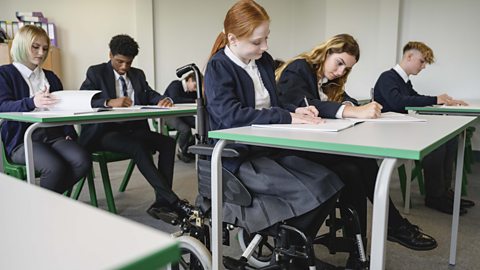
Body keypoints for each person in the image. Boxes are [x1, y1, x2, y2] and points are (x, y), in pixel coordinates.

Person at [205, 0, 344, 267]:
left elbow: (273, 106)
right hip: (238, 154)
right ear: (232, 39)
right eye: (258, 41)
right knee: (313, 190)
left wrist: (297, 112)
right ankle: (291, 250)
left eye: (266, 38)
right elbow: (230, 116)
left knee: (330, 182)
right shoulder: (219, 67)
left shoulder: (263, 61)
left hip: (267, 147)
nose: (265, 47)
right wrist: (286, 116)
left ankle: (291, 248)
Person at [276, 34, 437, 252]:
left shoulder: (329, 80)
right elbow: (302, 103)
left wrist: (354, 107)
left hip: (314, 145)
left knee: (353, 170)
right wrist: (352, 110)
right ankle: (393, 226)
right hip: (289, 148)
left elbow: (346, 100)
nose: (341, 72)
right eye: (339, 63)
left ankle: (358, 250)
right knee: (362, 163)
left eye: (347, 69)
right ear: (327, 52)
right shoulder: (300, 68)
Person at [78, 34, 194, 221]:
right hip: (105, 132)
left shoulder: (138, 75)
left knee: (167, 143)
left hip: (133, 129)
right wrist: (108, 102)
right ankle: (172, 200)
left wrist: (162, 100)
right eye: (119, 61)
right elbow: (84, 98)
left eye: (129, 63)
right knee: (137, 147)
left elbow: (148, 94)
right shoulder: (96, 72)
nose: (124, 67)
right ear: (110, 55)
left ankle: (161, 204)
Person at [373, 41, 475, 214]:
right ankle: (434, 196)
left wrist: (444, 101)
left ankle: (443, 192)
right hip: (390, 132)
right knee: (436, 145)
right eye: (422, 61)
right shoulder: (387, 77)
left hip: (401, 128)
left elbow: (415, 98)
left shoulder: (404, 81)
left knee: (449, 140)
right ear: (409, 56)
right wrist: (436, 99)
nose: (424, 66)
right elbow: (397, 102)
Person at [0, 25, 91, 193]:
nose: (41, 53)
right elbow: (2, 107)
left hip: (55, 136)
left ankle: (46, 201)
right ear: (21, 45)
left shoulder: (51, 77)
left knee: (82, 160)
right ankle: (47, 208)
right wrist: (32, 102)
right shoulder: (4, 74)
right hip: (22, 140)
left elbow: (63, 110)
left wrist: (70, 133)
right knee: (54, 167)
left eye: (45, 48)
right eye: (35, 47)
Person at [164, 72, 198, 163]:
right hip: (168, 114)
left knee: (201, 125)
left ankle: (189, 148)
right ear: (189, 79)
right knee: (185, 129)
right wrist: (194, 101)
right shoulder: (175, 84)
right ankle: (182, 151)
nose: (196, 89)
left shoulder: (192, 92)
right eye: (195, 86)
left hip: (182, 114)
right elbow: (175, 100)